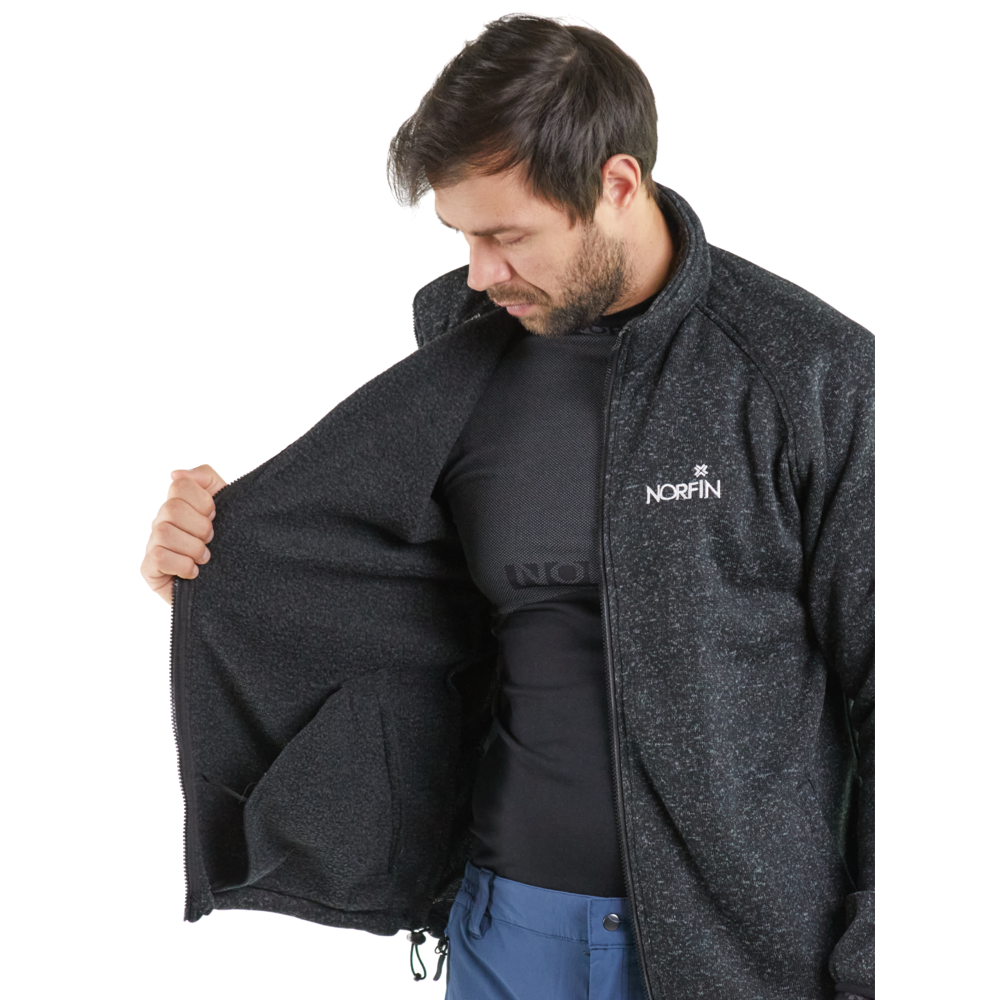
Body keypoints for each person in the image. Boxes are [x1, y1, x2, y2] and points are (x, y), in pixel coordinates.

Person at [141, 16, 874, 1000]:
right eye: (463, 236)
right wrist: (222, 564)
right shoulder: (461, 342)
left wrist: (879, 965)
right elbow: (411, 613)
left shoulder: (809, 370)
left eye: (507, 235)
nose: (482, 272)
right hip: (502, 929)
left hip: (736, 959)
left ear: (617, 185)